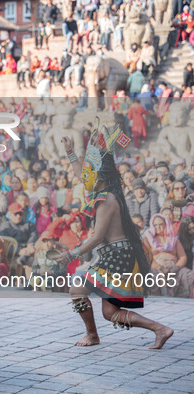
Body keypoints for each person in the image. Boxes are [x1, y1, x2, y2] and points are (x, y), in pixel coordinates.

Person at [57, 127, 173, 349]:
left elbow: (98, 236)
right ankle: (161, 329)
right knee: (110, 312)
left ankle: (92, 335)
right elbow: (82, 175)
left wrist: (71, 254)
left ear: (100, 176)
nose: (85, 175)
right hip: (118, 256)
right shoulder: (106, 193)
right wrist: (70, 151)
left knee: (77, 290)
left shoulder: (106, 199)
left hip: (117, 257)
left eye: (90, 171)